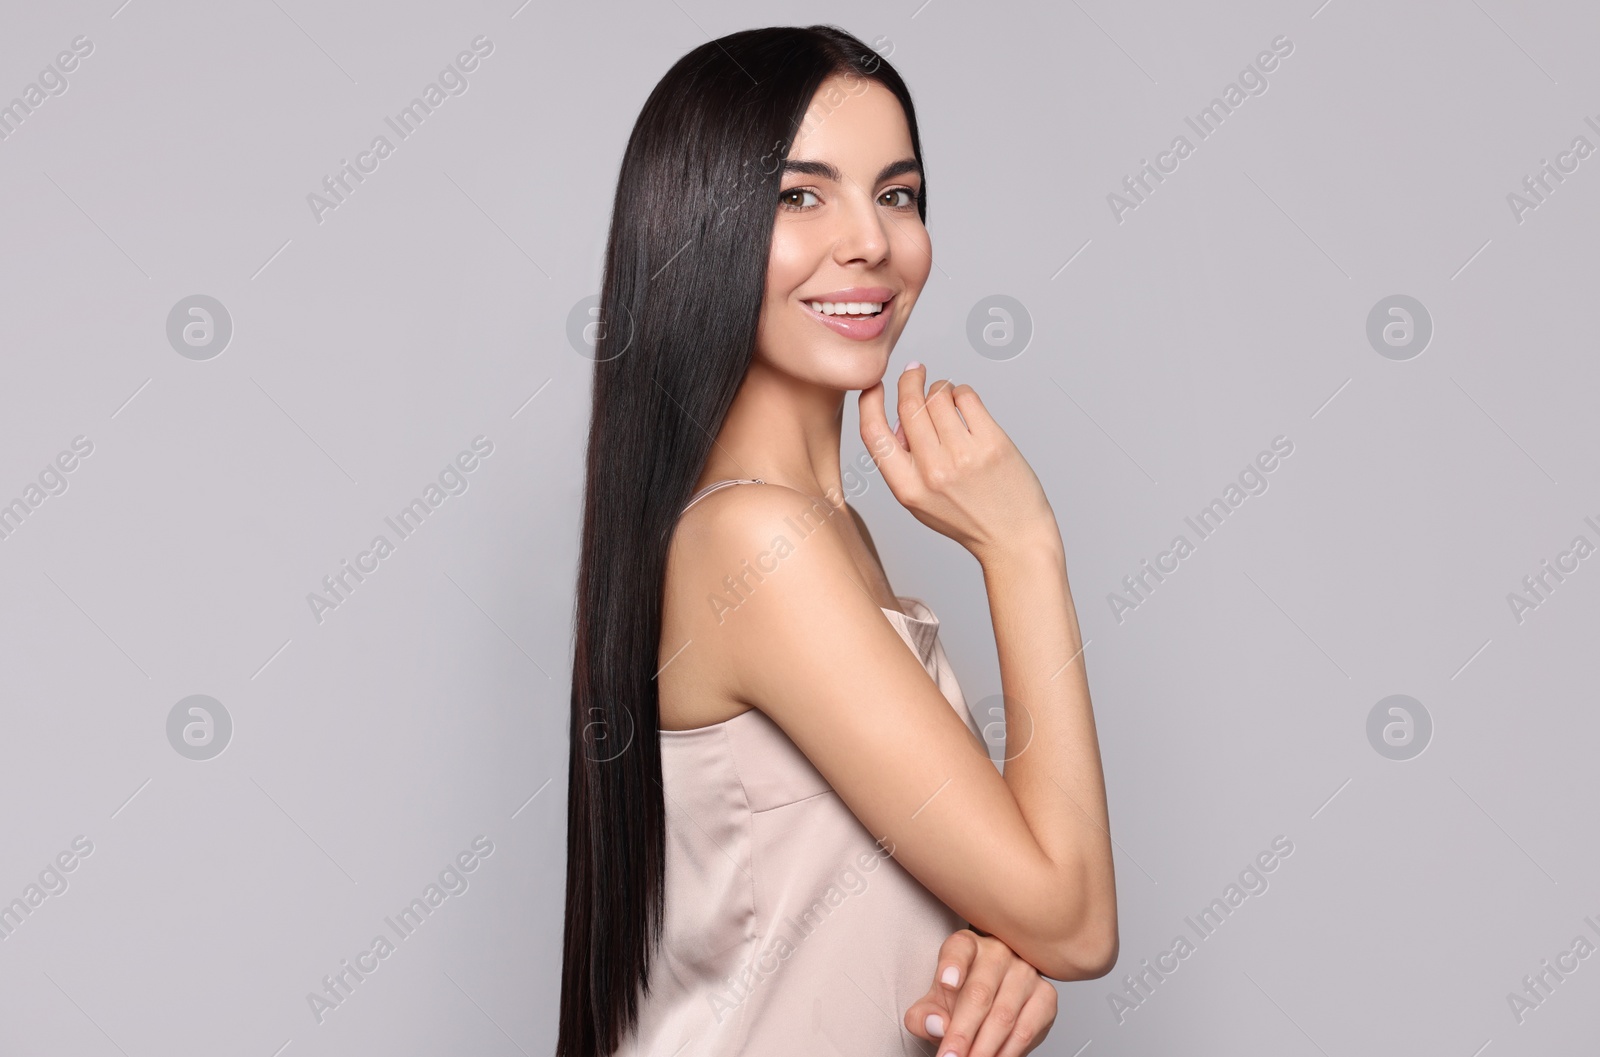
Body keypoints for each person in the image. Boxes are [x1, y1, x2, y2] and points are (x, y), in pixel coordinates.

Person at [559, 25, 1118, 1057]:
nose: (870, 240)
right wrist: (1022, 546)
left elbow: (1023, 899)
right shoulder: (752, 543)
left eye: (897, 194)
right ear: (696, 226)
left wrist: (993, 952)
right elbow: (1075, 916)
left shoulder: (822, 534)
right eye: (799, 195)